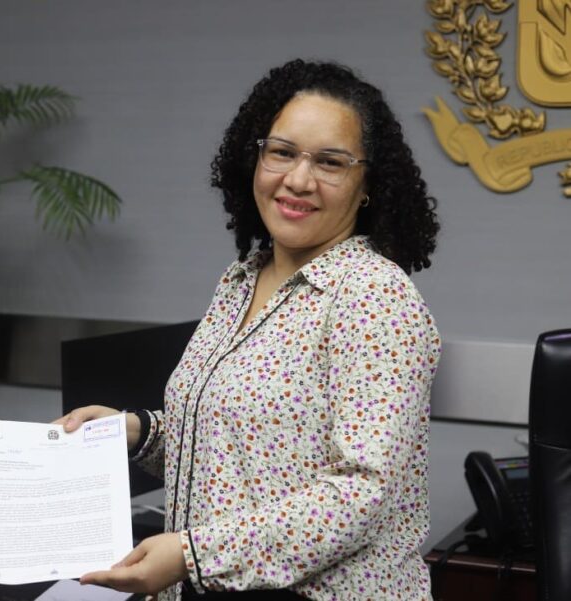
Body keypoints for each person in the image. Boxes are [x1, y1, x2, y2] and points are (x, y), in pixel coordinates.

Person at [57, 59, 441, 600]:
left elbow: (363, 493)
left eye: (330, 162)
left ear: (367, 186)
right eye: (282, 152)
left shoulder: (373, 296)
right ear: (254, 159)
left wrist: (192, 555)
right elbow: (241, 457)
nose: (298, 180)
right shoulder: (240, 280)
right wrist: (139, 433)